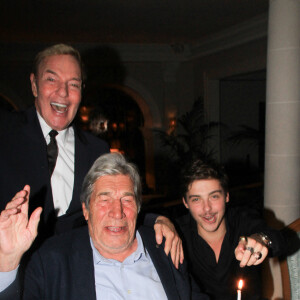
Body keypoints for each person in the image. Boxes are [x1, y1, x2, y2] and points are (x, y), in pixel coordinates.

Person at [0, 44, 182, 262]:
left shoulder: (97, 150)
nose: (63, 92)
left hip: (72, 274)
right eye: (52, 79)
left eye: (73, 84)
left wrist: (158, 219)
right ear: (34, 85)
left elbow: (116, 207)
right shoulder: (5, 131)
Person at [0, 153, 208, 300]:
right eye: (104, 199)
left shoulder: (165, 247)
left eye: (126, 200)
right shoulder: (52, 260)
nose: (117, 212)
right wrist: (7, 261)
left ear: (138, 207)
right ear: (86, 209)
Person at [176, 159, 288, 300]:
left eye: (214, 196)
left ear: (226, 196)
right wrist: (159, 220)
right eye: (196, 199)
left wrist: (261, 239)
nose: (207, 209)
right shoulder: (178, 233)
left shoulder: (242, 219)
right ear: (186, 202)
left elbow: (280, 240)